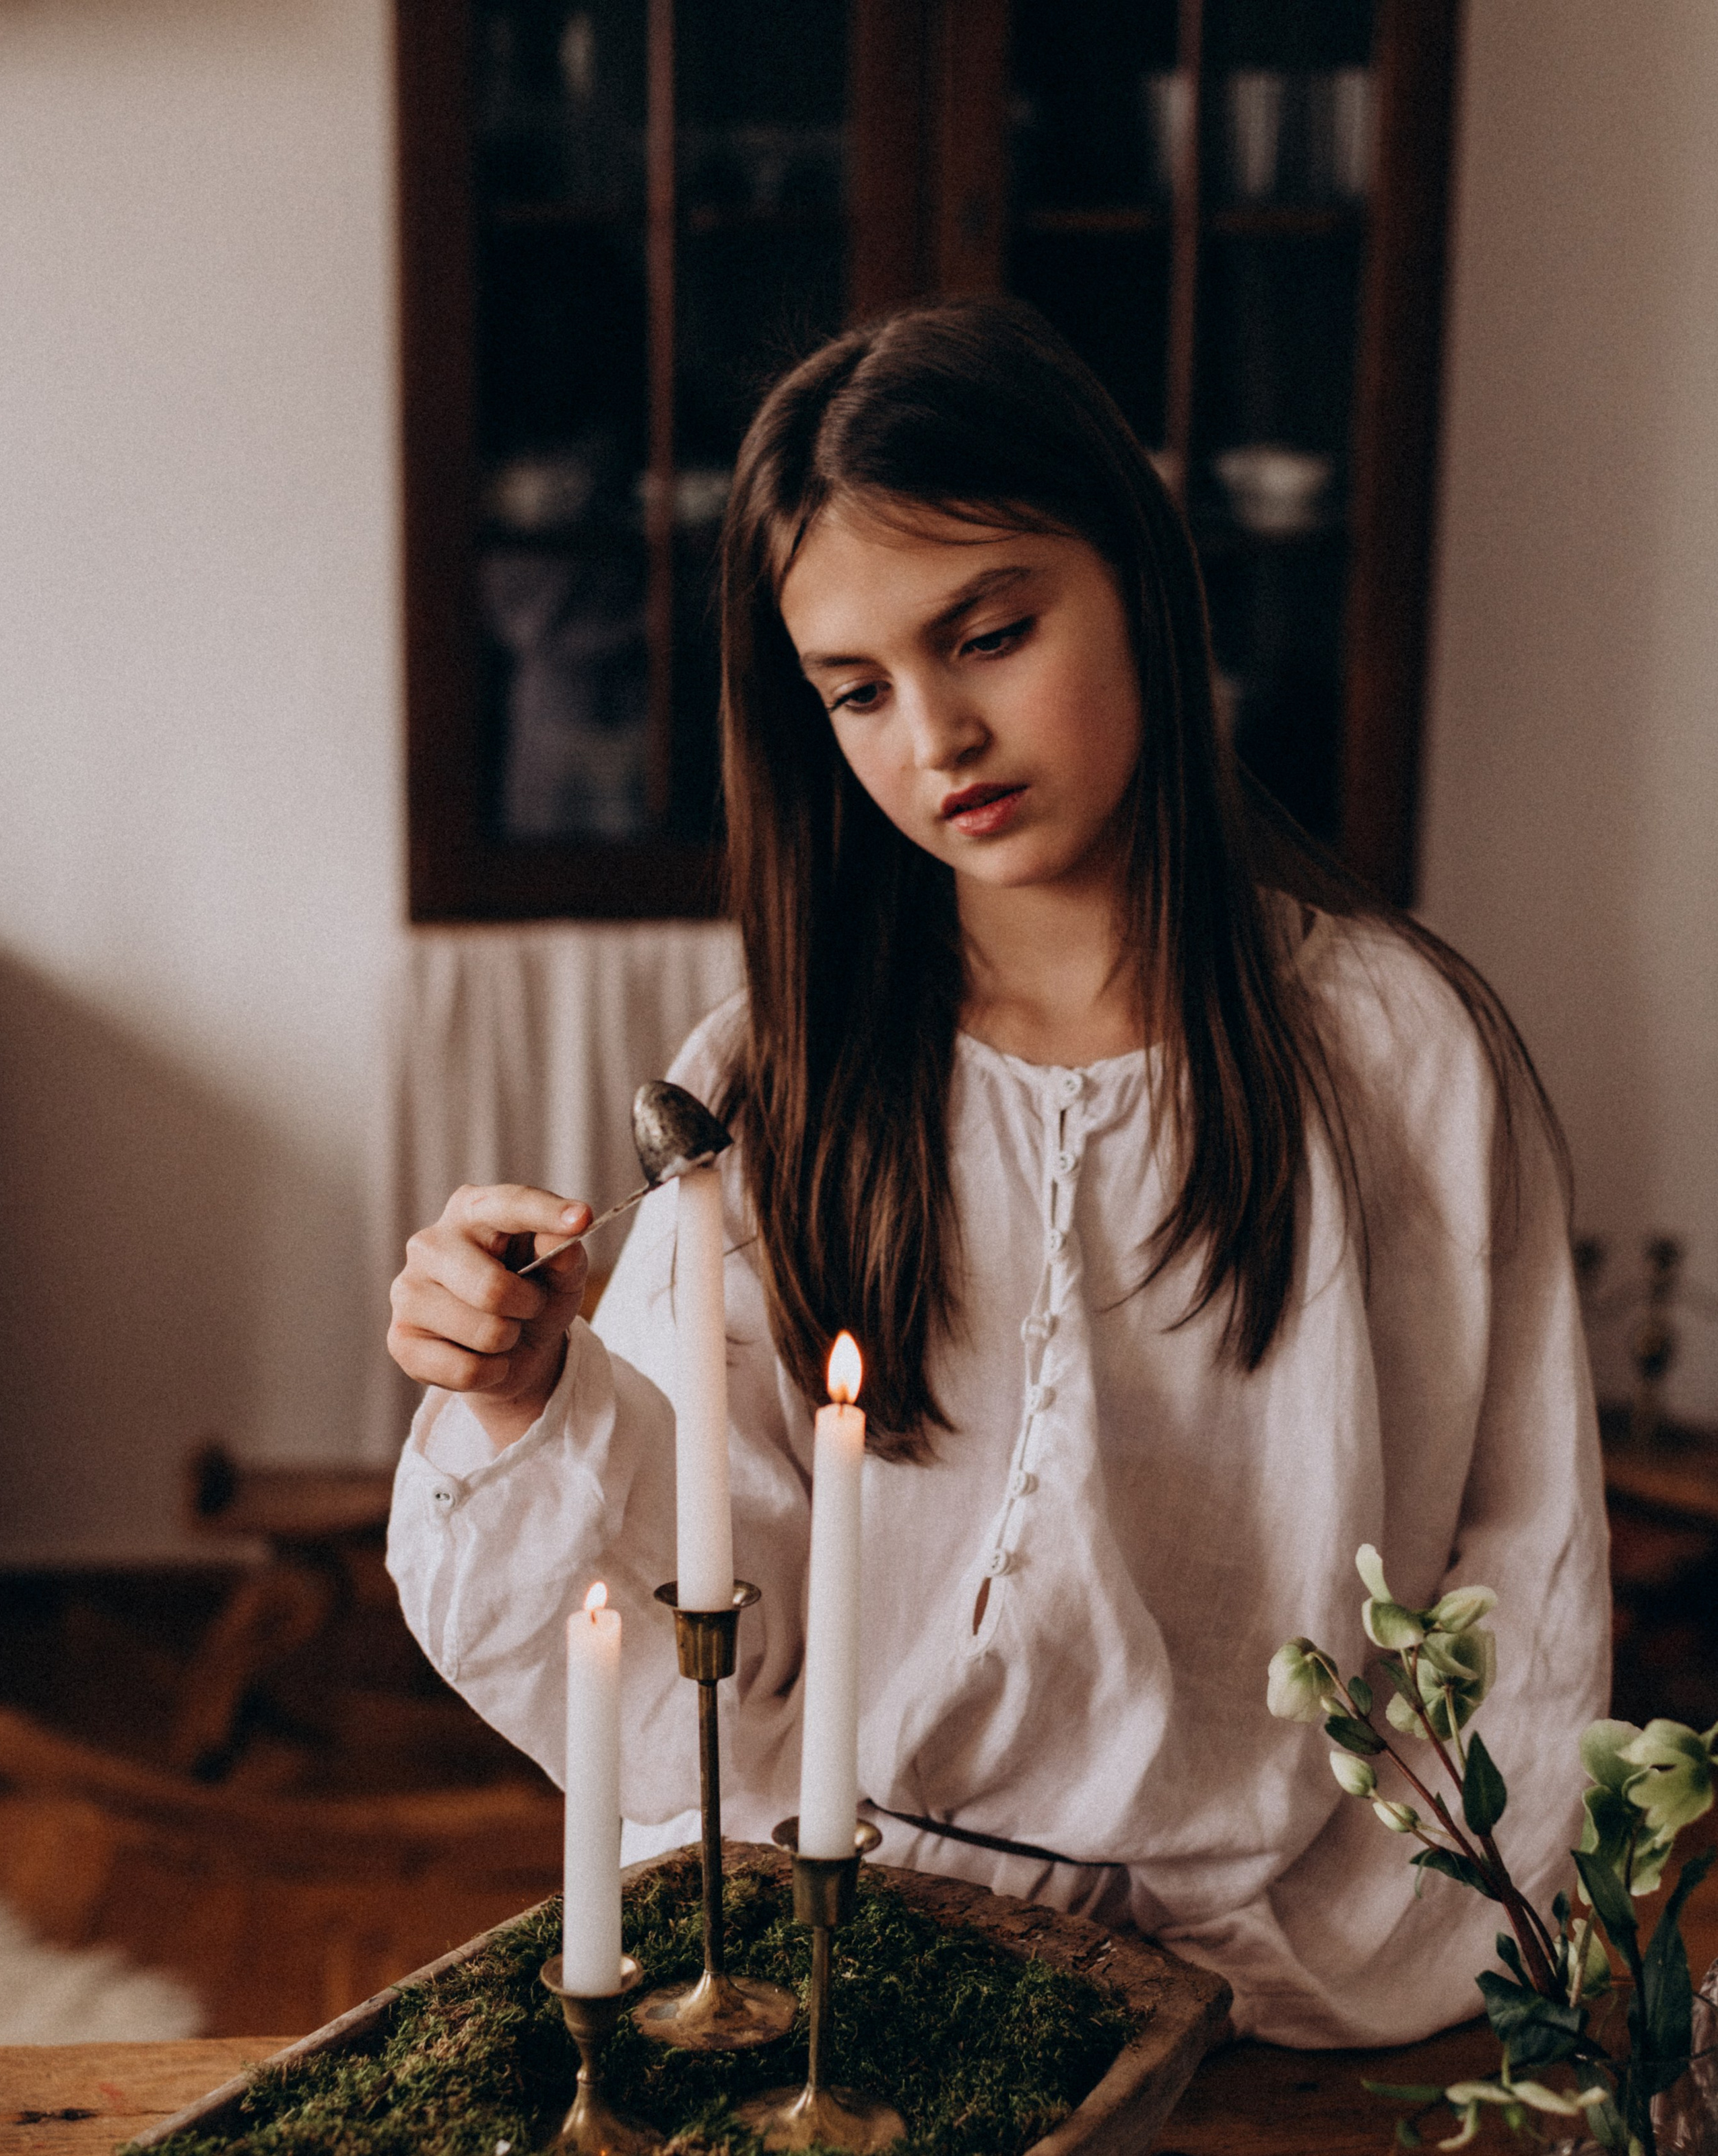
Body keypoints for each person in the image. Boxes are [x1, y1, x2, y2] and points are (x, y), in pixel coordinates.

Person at [385, 300, 1607, 2048]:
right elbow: (703, 1629)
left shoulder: (1396, 1062)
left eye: (992, 633)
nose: (936, 738)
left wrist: (1355, 1953)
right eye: (859, 691)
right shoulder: (768, 1080)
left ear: (1140, 580)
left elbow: (1517, 1578)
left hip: (1265, 1990)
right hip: (827, 1953)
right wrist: (524, 1392)